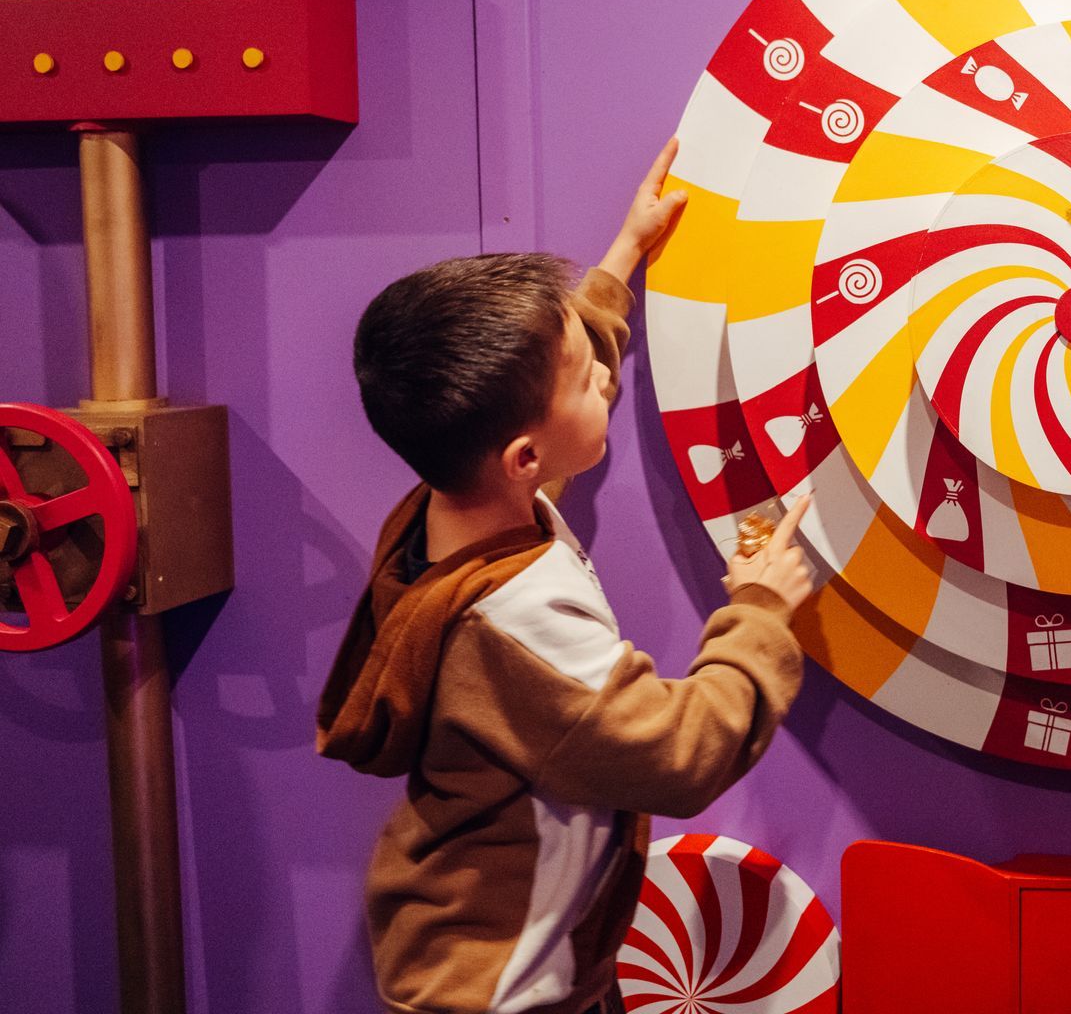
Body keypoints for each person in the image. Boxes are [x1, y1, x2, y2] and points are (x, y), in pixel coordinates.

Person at [316, 139, 815, 1014]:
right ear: (523, 455)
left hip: (492, 950)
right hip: (500, 987)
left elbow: (550, 403)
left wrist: (623, 256)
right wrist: (760, 613)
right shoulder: (518, 618)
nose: (604, 376)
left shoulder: (449, 509)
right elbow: (679, 752)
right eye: (590, 377)